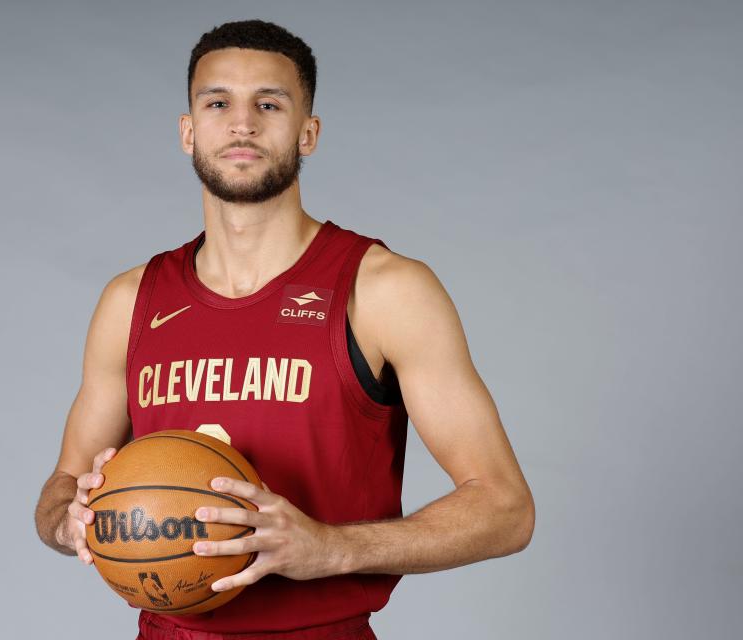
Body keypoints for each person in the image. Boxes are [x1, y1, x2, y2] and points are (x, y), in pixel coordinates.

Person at [35, 19, 534, 639]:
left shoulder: (382, 291)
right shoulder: (131, 300)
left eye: (268, 103)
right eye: (218, 103)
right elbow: (62, 485)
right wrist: (70, 520)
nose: (242, 123)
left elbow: (505, 509)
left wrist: (330, 548)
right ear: (189, 131)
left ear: (308, 132)